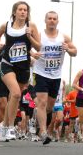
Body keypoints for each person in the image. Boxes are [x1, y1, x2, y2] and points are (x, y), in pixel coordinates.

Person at [0, 1, 40, 141]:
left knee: (14, 98)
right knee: (15, 93)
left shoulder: (31, 26)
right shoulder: (6, 25)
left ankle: (3, 125)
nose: (23, 12)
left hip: (23, 67)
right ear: (14, 12)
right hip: (7, 63)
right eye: (20, 9)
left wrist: (30, 37)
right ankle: (9, 127)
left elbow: (38, 47)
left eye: (25, 10)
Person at [32, 11, 77, 145]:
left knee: (50, 107)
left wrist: (68, 49)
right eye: (49, 18)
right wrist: (33, 54)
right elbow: (27, 46)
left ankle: (38, 120)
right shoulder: (39, 35)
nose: (52, 20)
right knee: (42, 102)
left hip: (55, 75)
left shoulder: (63, 37)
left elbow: (75, 52)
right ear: (45, 20)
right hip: (40, 72)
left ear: (57, 21)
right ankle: (44, 132)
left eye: (54, 19)